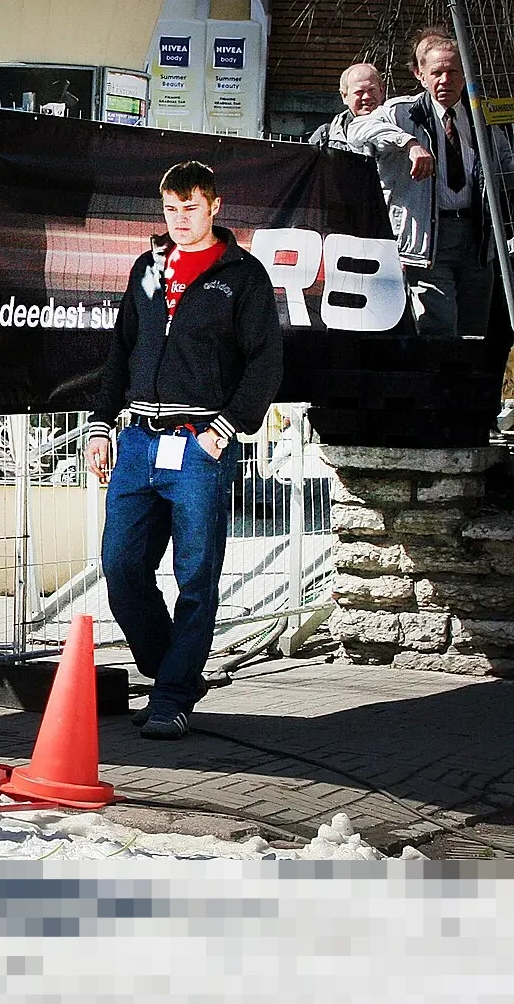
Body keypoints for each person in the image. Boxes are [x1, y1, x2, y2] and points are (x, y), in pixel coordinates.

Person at [85, 160, 282, 741]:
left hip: (201, 445)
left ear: (214, 206)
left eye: (190, 208)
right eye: (170, 208)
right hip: (138, 439)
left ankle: (171, 697)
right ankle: (175, 671)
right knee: (122, 566)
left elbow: (265, 362)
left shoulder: (241, 275)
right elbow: (122, 349)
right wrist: (100, 424)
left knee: (196, 576)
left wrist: (230, 425)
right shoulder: (147, 268)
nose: (179, 220)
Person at [370, 28, 514, 338]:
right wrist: (409, 144)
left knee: (475, 333)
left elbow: (505, 170)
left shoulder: (481, 117)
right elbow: (360, 131)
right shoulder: (402, 113)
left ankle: (469, 387)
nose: (445, 80)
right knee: (439, 329)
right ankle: (438, 385)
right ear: (421, 75)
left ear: (465, 75)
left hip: (478, 238)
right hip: (430, 238)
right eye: (437, 72)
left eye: (452, 72)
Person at [309, 63, 435, 176]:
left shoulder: (404, 126)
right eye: (359, 92)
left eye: (371, 90)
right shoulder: (325, 137)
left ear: (382, 90)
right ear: (344, 96)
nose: (367, 97)